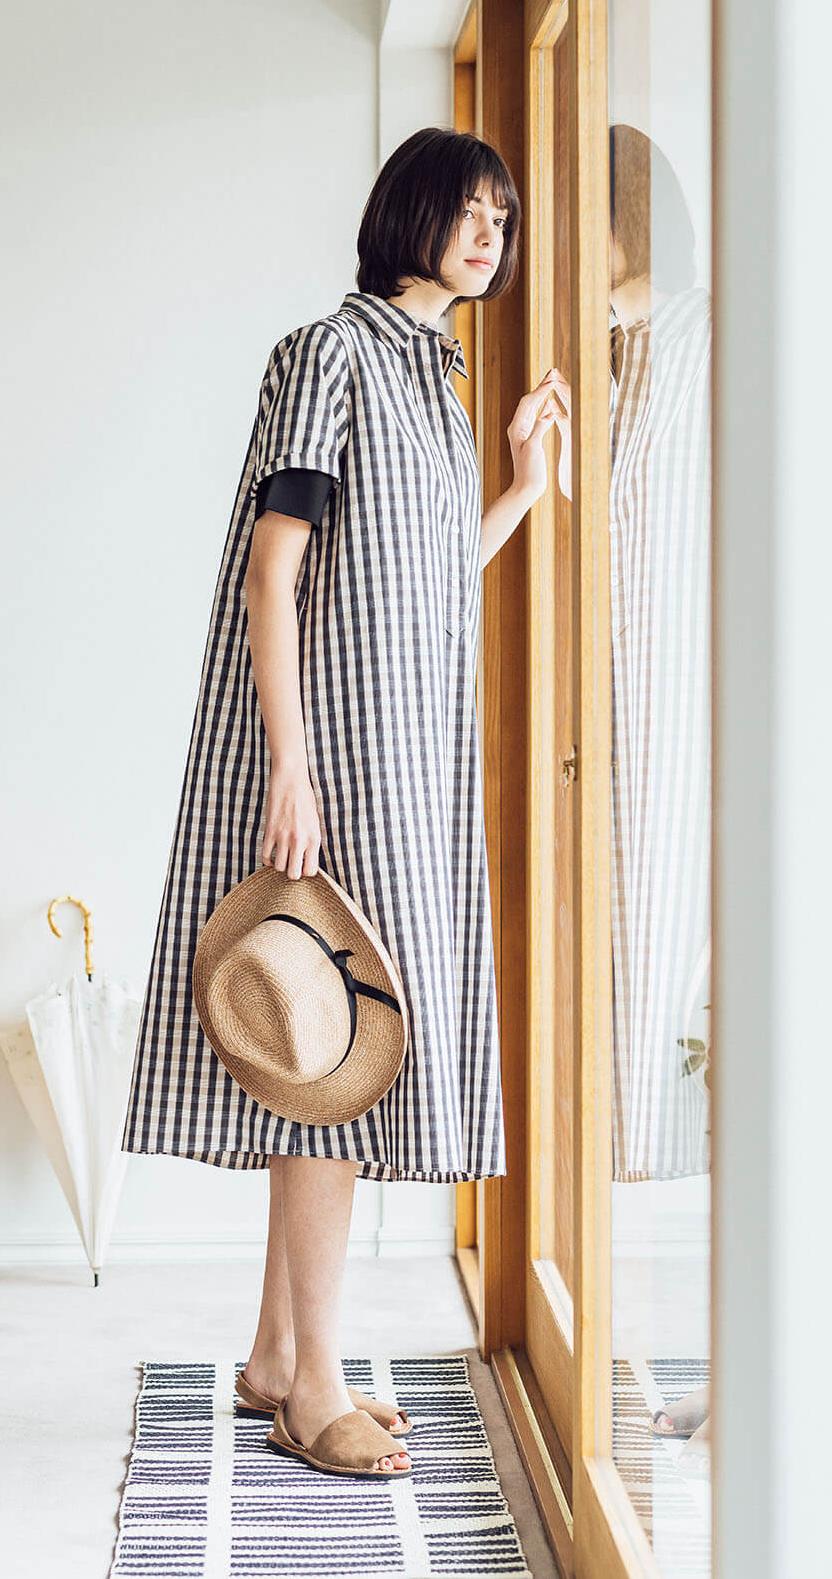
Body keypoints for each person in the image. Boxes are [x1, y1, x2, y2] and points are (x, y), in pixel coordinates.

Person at [120, 126, 569, 1476]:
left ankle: (276, 1353)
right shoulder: (328, 354)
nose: (489, 234)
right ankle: (316, 1381)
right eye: (469, 210)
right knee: (334, 1059)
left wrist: (522, 489)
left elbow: (419, 581)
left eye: (502, 218)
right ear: (408, 214)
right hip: (338, 762)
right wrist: (291, 764)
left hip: (409, 763)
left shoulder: (436, 383)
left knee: (346, 1050)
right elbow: (276, 568)